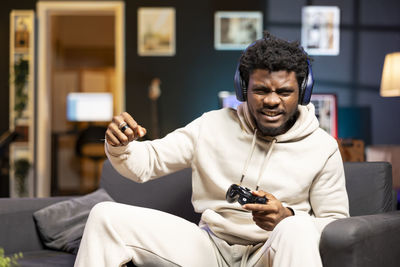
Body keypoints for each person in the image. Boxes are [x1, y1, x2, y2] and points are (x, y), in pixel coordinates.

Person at [74, 32, 349, 267]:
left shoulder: (321, 147)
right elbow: (148, 162)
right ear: (243, 88)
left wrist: (286, 217)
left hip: (271, 252)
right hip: (209, 249)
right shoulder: (211, 125)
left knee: (297, 227)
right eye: (261, 90)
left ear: (302, 91)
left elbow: (335, 225)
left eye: (285, 92)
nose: (272, 101)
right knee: (104, 216)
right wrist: (119, 146)